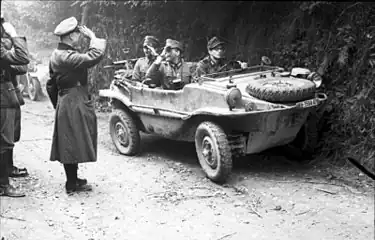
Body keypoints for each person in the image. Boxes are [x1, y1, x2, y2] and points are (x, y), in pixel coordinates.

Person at [46, 17, 106, 194]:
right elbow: (93, 56)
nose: (79, 37)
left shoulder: (58, 54)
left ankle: (73, 179)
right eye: (77, 34)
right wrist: (94, 38)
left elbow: (50, 84)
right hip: (72, 99)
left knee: (72, 139)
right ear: (70, 36)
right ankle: (71, 183)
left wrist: (59, 103)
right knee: (71, 141)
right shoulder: (65, 56)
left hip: (68, 99)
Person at [0, 17, 30, 197]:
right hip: (2, 97)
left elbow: (22, 66)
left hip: (5, 95)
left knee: (6, 139)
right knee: (4, 141)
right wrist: (14, 35)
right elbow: (23, 57)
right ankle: (3, 185)